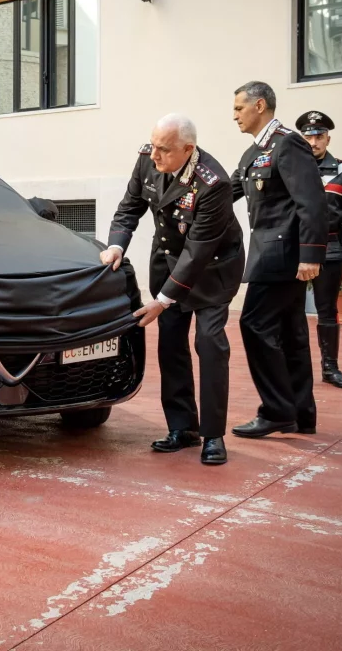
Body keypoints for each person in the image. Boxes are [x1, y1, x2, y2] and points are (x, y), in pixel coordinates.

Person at [100, 114, 244, 465]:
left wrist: (161, 301)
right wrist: (116, 245)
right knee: (171, 346)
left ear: (188, 149)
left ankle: (213, 435)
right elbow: (129, 207)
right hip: (168, 262)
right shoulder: (149, 158)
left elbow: (197, 252)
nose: (155, 156)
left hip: (211, 270)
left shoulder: (214, 183)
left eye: (164, 150)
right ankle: (183, 428)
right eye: (154, 146)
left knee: (209, 344)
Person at [230, 82, 327, 438]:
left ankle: (276, 411)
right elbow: (227, 192)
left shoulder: (288, 142)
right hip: (273, 255)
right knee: (291, 333)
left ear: (259, 106)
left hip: (283, 257)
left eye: (239, 108)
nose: (234, 115)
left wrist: (311, 254)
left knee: (253, 324)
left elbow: (312, 201)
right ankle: (302, 414)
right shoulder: (253, 153)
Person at [295, 110, 342, 389]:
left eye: (319, 136)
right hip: (294, 250)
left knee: (327, 310)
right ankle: (295, 368)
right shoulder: (292, 168)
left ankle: (330, 368)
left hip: (331, 248)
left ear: (328, 139)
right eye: (308, 136)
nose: (313, 142)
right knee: (290, 310)